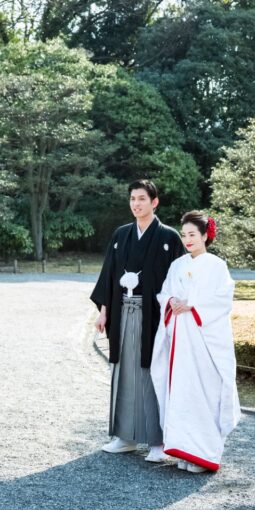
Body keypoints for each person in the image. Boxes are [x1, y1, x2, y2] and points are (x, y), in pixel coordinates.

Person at [91, 180, 186, 462]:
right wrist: (104, 310)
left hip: (154, 316)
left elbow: (178, 282)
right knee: (124, 373)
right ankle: (125, 436)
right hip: (123, 312)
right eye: (132, 198)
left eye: (142, 198)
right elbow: (109, 274)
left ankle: (158, 440)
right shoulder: (121, 235)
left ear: (154, 202)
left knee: (153, 372)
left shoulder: (169, 237)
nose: (136, 204)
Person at [152, 211, 241, 473]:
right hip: (180, 339)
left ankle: (203, 453)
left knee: (204, 391)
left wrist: (191, 304)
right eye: (184, 235)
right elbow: (165, 292)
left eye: (193, 234)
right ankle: (183, 450)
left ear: (205, 235)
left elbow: (222, 300)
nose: (188, 239)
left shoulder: (216, 266)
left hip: (204, 341)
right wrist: (171, 302)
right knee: (182, 391)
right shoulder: (177, 264)